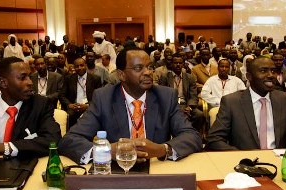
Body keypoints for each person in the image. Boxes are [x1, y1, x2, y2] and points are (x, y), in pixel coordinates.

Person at [58, 47, 202, 163]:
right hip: (119, 172)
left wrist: (162, 149)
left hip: (157, 169)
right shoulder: (103, 98)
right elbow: (69, 140)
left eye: (149, 67)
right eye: (139, 68)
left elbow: (192, 136)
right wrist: (107, 151)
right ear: (121, 75)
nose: (148, 73)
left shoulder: (166, 96)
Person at [206, 57, 286, 150]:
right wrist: (239, 155)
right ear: (249, 77)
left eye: (273, 71)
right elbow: (214, 139)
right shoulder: (232, 102)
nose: (271, 75)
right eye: (263, 71)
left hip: (280, 161)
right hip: (246, 163)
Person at [158, 54, 204, 132]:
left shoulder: (189, 77)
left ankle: (193, 135)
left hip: (186, 105)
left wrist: (189, 107)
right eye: (175, 63)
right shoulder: (165, 77)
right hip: (171, 106)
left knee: (199, 115)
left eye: (180, 63)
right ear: (171, 64)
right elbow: (163, 96)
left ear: (183, 64)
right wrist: (175, 108)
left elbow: (193, 96)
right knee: (175, 116)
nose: (178, 65)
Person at [58, 58, 102, 128]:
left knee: (90, 115)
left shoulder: (95, 79)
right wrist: (69, 104)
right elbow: (61, 95)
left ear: (86, 65)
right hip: (73, 107)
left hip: (89, 106)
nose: (79, 68)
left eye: (82, 65)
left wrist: (88, 105)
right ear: (74, 67)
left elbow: (99, 96)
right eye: (77, 66)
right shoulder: (69, 78)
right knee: (69, 116)